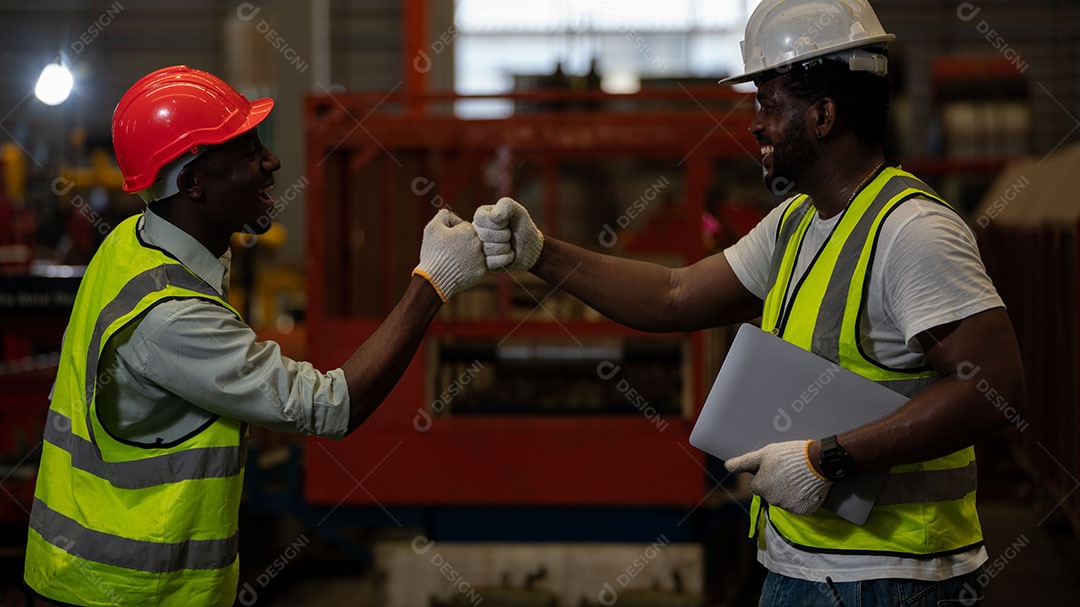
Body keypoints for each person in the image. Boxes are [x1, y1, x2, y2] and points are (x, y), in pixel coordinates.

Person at [473, 1, 1024, 605]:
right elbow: (674, 296)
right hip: (805, 566)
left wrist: (829, 459)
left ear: (823, 114)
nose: (755, 124)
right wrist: (541, 254)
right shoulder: (796, 222)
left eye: (768, 104)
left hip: (894, 579)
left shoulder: (911, 231)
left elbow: (992, 387)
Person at [24, 65, 486, 606]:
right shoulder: (171, 316)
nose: (272, 161)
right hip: (130, 592)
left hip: (84, 578)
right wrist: (433, 281)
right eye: (246, 153)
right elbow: (331, 405)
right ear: (192, 182)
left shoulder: (130, 241)